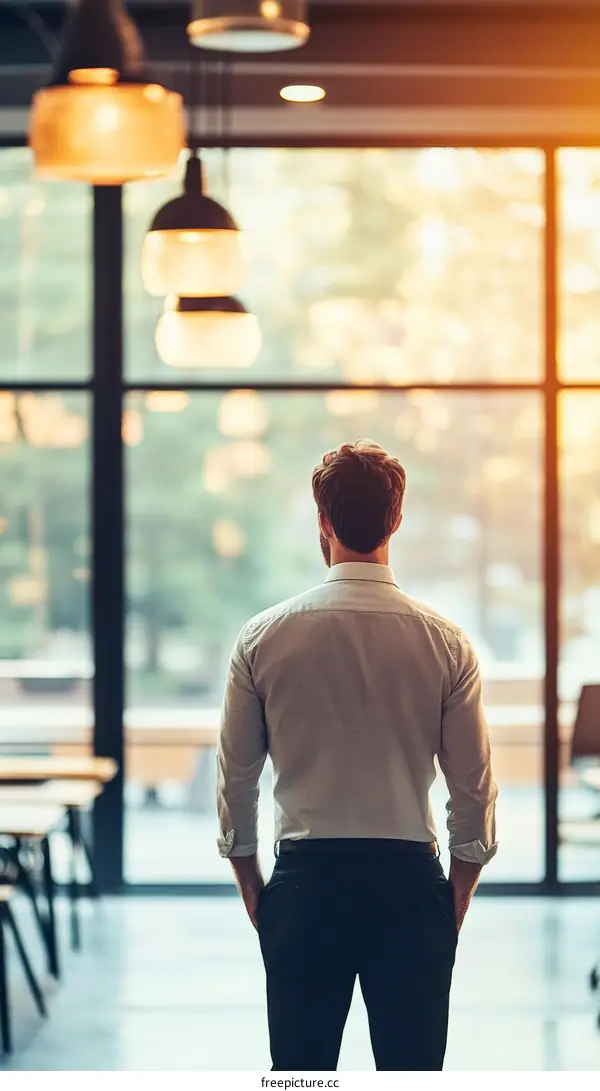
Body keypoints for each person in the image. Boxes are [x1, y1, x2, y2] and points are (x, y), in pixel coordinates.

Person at [217, 440, 498, 1072]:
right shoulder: (447, 644)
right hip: (409, 887)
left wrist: (257, 893)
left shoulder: (263, 638)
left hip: (305, 886)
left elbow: (236, 782)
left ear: (323, 520)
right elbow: (473, 790)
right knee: (411, 1075)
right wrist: (452, 900)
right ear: (396, 520)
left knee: (301, 1075)